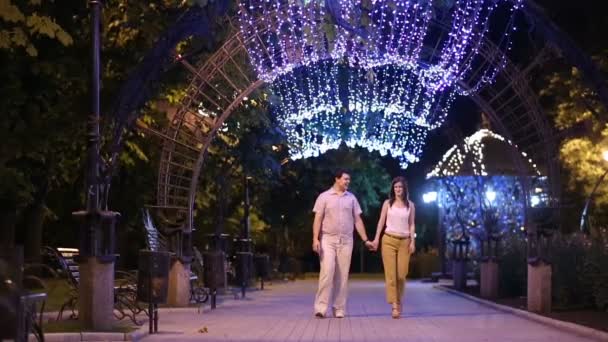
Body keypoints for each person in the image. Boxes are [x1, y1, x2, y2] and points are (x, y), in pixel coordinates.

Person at [312, 169, 374, 318]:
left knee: (342, 276)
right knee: (327, 272)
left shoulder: (351, 198)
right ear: (337, 179)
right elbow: (318, 219)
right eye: (345, 179)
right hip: (328, 239)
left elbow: (358, 220)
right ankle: (321, 308)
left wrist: (365, 240)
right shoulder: (324, 197)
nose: (348, 182)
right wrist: (315, 238)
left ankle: (339, 308)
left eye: (349, 180)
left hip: (346, 241)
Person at [370, 176, 416, 319]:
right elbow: (381, 222)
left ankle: (399, 299)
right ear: (393, 189)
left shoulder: (411, 205)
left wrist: (413, 242)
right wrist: (376, 239)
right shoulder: (387, 204)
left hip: (404, 241)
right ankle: (395, 305)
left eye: (400, 187)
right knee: (391, 276)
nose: (398, 190)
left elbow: (412, 224)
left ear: (404, 189)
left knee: (401, 274)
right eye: (396, 187)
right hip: (388, 240)